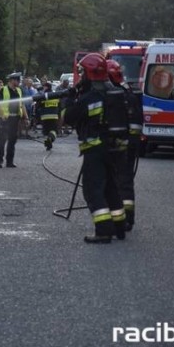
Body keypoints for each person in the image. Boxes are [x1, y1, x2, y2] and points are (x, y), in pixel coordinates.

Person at [62, 53, 127, 243]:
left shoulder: (89, 98)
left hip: (94, 149)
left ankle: (104, 230)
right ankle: (119, 227)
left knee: (93, 190)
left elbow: (69, 117)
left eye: (82, 72)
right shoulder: (113, 92)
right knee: (111, 188)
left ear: (90, 73)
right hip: (113, 149)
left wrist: (70, 99)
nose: (81, 76)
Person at [107, 59, 143, 231]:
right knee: (126, 183)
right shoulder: (130, 93)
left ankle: (117, 219)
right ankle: (128, 219)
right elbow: (137, 122)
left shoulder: (113, 95)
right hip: (131, 145)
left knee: (114, 182)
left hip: (117, 147)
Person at [0, 73, 28, 168]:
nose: (19, 82)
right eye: (17, 80)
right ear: (12, 80)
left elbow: (22, 105)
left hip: (15, 118)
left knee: (12, 141)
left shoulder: (19, 91)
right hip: (6, 118)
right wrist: (2, 115)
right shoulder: (3, 90)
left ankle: (9, 161)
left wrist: (26, 118)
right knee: (2, 140)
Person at [38, 82, 60, 150]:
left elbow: (39, 105)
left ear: (46, 87)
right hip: (54, 116)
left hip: (45, 117)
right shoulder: (55, 95)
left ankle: (49, 142)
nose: (43, 88)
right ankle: (49, 140)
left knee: (47, 131)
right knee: (54, 131)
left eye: (44, 87)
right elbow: (60, 105)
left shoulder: (43, 95)